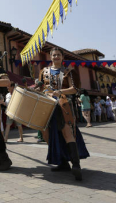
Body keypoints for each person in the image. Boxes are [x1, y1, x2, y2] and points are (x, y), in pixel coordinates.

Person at [39, 47, 89, 181]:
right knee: (47, 134)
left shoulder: (69, 72)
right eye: (54, 55)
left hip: (63, 106)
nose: (56, 57)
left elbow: (75, 89)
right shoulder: (43, 72)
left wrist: (60, 92)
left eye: (58, 55)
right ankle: (63, 162)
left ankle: (76, 165)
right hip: (47, 106)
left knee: (67, 132)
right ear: (50, 57)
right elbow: (40, 87)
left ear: (62, 57)